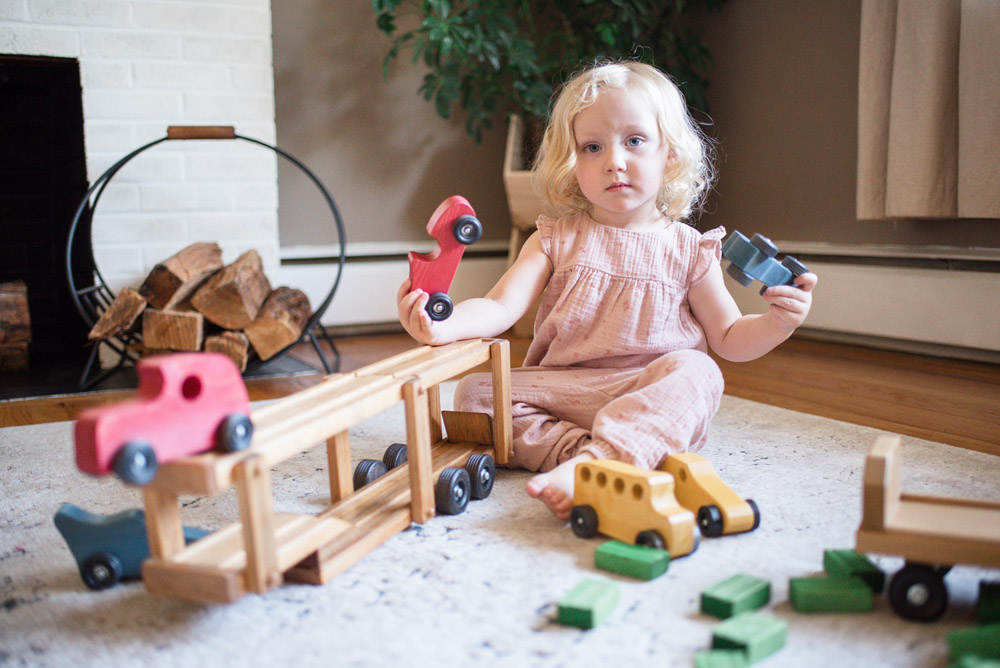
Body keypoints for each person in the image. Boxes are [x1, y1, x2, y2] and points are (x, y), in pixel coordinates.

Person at [397, 60, 817, 522]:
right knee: (476, 394)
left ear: (669, 155)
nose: (613, 161)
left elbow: (730, 338)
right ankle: (596, 455)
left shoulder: (690, 249)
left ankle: (597, 463)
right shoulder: (555, 238)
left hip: (648, 388)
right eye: (592, 147)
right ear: (573, 164)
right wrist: (443, 323)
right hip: (564, 391)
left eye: (634, 141)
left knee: (699, 372)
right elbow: (500, 306)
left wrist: (778, 322)